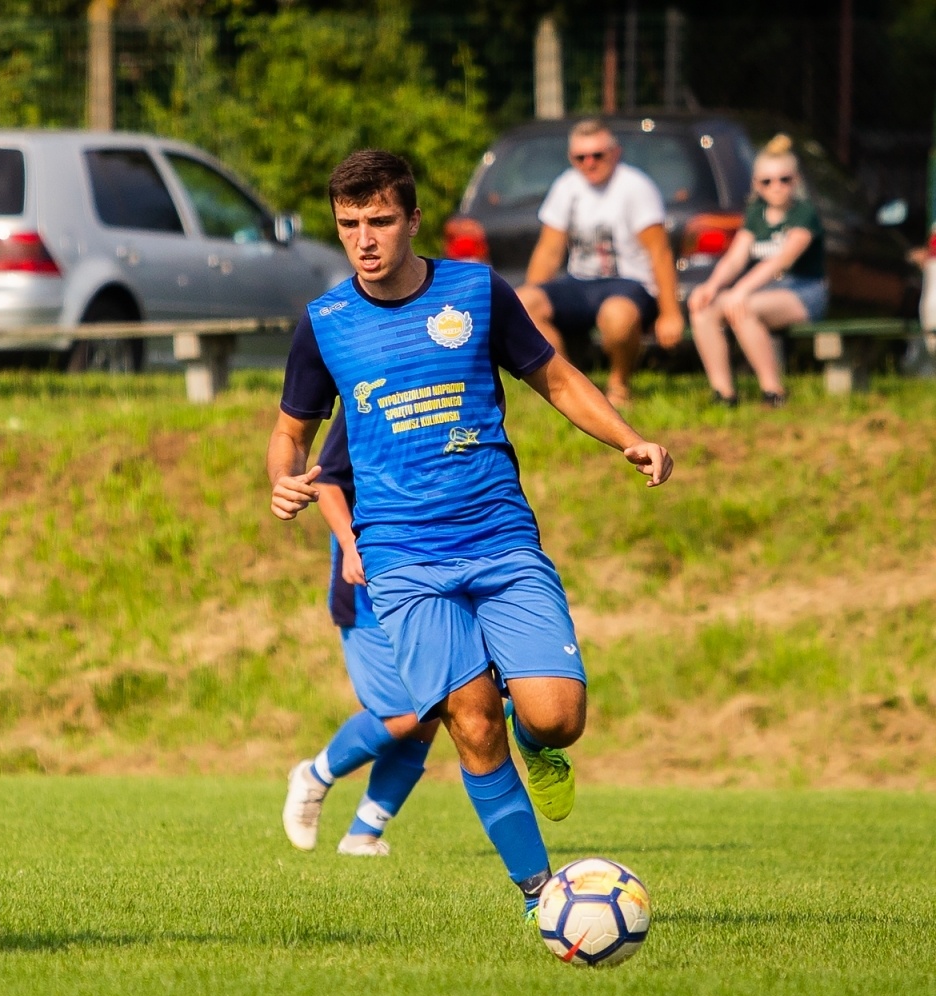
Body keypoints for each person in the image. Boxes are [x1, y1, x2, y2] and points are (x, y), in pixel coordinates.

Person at [268, 149, 673, 917]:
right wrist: (283, 477)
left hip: (500, 539)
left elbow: (555, 377)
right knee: (472, 721)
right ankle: (540, 896)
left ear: (414, 220)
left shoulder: (476, 292)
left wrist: (628, 439)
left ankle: (538, 741)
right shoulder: (325, 324)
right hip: (402, 558)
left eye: (380, 220)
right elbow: (290, 432)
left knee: (557, 718)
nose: (364, 239)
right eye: (349, 224)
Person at [282, 408, 440, 858]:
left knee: (434, 710)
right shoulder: (367, 396)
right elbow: (328, 480)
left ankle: (363, 833)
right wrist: (352, 548)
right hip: (367, 585)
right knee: (404, 712)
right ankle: (315, 776)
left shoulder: (450, 391)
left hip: (431, 575)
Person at [517, 119, 685, 407]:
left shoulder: (635, 187)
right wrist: (531, 304)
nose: (589, 163)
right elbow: (549, 250)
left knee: (616, 316)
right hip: (580, 281)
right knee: (523, 302)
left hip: (630, 284)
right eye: (580, 157)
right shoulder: (566, 186)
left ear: (615, 153)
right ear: (571, 158)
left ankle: (619, 384)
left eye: (598, 155)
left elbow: (659, 252)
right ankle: (568, 386)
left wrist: (670, 313)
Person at [688, 134, 825, 407]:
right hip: (764, 290)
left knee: (744, 308)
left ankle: (772, 391)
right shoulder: (755, 213)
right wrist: (711, 287)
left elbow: (782, 260)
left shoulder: (804, 213)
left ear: (796, 180)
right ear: (756, 184)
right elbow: (735, 258)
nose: (776, 187)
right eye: (767, 181)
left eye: (784, 179)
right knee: (703, 309)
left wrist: (740, 290)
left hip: (803, 291)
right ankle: (723, 393)